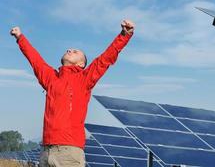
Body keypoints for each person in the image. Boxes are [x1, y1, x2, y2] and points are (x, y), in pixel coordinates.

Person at [10, 20, 135, 167]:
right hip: (45, 151)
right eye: (68, 49)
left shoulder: (84, 79)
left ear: (81, 64)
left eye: (75, 52)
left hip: (69, 152)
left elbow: (105, 59)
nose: (69, 50)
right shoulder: (51, 78)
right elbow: (35, 60)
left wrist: (124, 35)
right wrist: (20, 38)